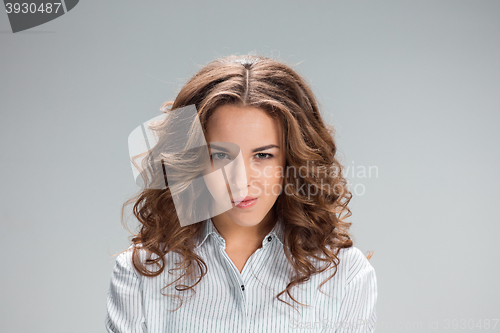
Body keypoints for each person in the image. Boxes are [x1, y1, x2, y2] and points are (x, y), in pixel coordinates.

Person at [105, 54, 377, 333]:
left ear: (292, 160)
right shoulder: (141, 272)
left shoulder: (345, 274)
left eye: (262, 155)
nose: (241, 181)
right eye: (221, 155)